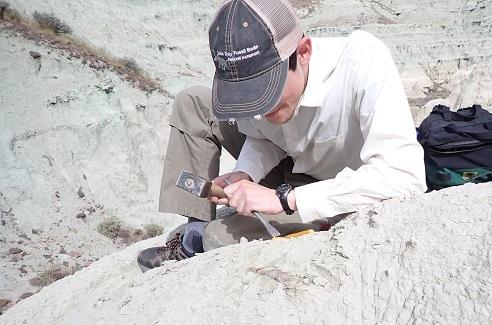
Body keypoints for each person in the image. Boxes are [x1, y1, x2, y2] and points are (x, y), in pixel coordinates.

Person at [137, 0, 427, 271]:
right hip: (288, 171)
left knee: (221, 238)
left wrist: (286, 200)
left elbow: (405, 175)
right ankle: (194, 233)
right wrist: (245, 174)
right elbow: (263, 135)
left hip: (337, 191)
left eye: (267, 94)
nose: (260, 113)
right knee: (193, 102)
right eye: (247, 99)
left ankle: (210, 238)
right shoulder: (267, 108)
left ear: (303, 53)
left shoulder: (362, 62)